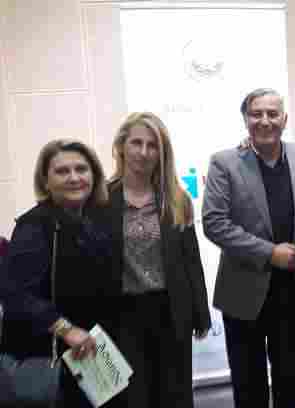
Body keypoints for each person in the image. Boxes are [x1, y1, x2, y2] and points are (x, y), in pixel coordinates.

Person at [203, 88, 295, 408]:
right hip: (242, 293)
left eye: (272, 113)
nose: (265, 121)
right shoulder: (224, 163)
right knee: (248, 387)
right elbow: (214, 223)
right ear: (245, 119)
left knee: (288, 383)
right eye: (257, 114)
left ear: (285, 119)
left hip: (290, 293)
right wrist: (270, 253)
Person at [0, 139, 117, 407]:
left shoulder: (93, 220)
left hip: (89, 352)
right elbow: (15, 294)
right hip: (49, 355)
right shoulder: (34, 225)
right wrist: (65, 329)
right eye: (62, 171)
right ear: (45, 181)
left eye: (81, 169)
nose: (74, 178)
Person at [108, 112, 211, 407]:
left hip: (170, 311)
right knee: (133, 397)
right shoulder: (102, 198)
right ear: (122, 146)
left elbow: (191, 260)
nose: (143, 152)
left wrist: (200, 312)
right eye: (136, 143)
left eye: (152, 145)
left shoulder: (177, 199)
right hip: (123, 315)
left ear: (162, 152)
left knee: (175, 395)